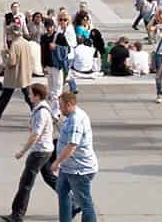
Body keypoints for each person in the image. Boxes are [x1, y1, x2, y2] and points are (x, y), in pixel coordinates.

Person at [0, 82, 57, 222]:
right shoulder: (41, 108)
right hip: (46, 150)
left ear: (37, 96)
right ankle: (74, 203)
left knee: (25, 183)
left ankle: (17, 214)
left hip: (39, 152)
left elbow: (35, 135)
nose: (29, 96)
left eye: (31, 94)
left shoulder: (41, 112)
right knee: (50, 178)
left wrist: (23, 151)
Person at [52, 90, 98, 222]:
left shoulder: (76, 120)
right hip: (68, 167)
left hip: (79, 170)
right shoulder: (71, 116)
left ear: (69, 104)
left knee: (85, 203)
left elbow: (72, 145)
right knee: (62, 192)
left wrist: (57, 162)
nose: (59, 109)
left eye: (61, 106)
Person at [0, 25, 35, 122]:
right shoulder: (25, 42)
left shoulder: (15, 44)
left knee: (7, 94)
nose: (8, 36)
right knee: (27, 96)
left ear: (13, 33)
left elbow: (12, 62)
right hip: (24, 73)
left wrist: (4, 56)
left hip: (15, 74)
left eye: (9, 34)